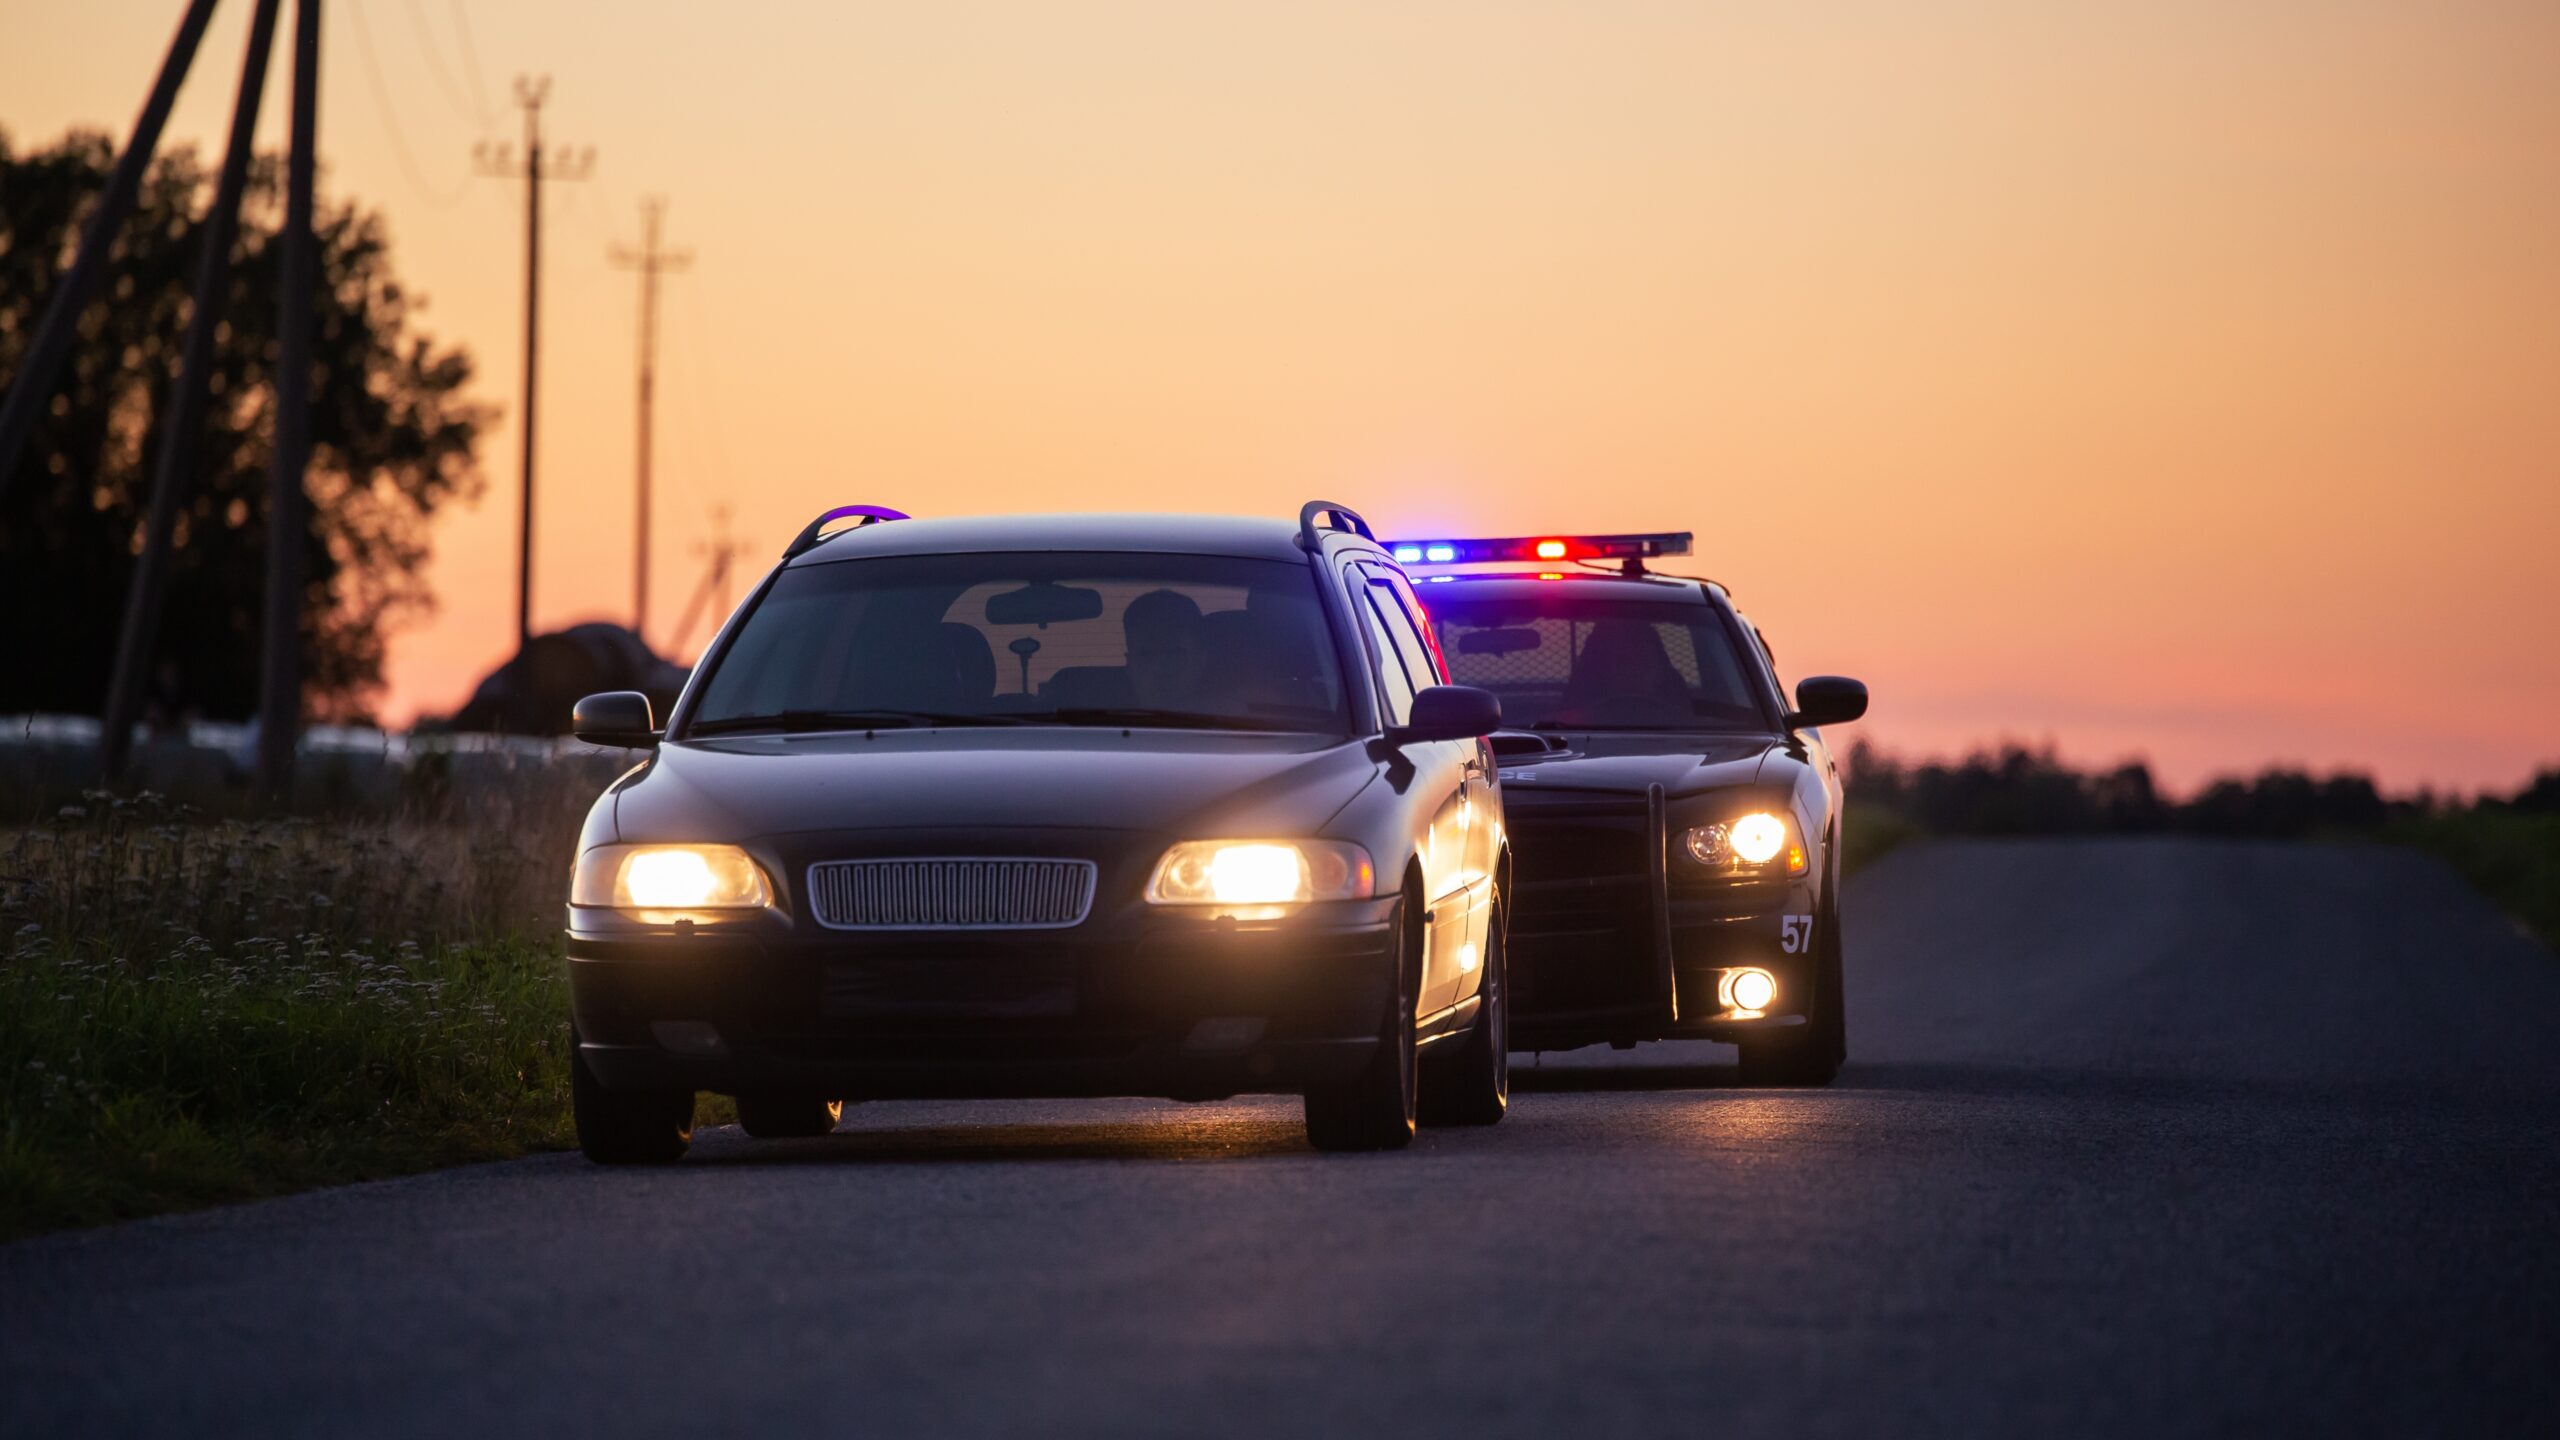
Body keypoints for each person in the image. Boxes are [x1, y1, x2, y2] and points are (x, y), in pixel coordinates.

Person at [1123, 588, 1213, 711]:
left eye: (1175, 654)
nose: (1160, 668)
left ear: (1200, 661)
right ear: (1130, 665)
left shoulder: (1237, 724)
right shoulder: (1101, 725)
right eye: (1146, 655)